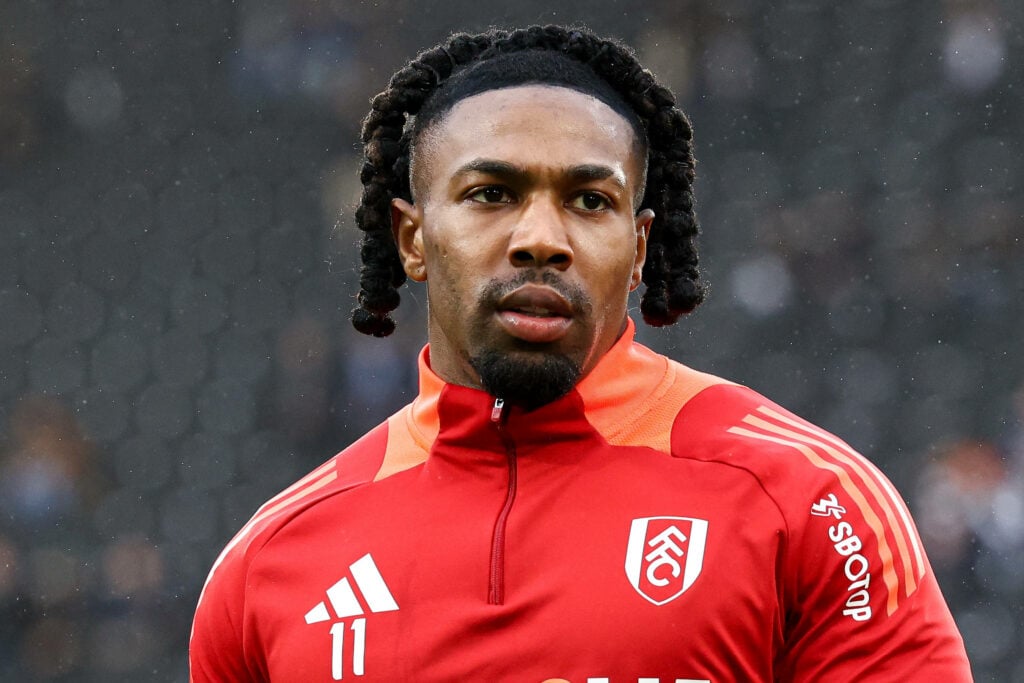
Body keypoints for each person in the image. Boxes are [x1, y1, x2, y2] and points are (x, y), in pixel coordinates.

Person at [190, 25, 972, 682]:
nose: (541, 238)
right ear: (412, 239)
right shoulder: (267, 567)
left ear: (638, 249)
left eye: (590, 201)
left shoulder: (810, 503)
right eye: (491, 194)